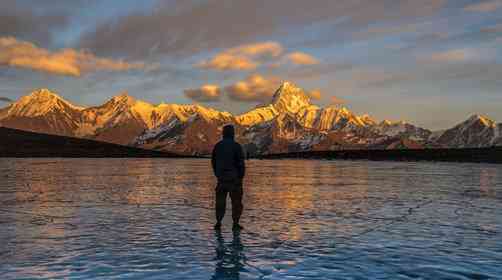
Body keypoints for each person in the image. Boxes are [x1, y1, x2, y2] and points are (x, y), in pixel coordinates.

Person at [211, 124, 245, 231]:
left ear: (223, 133)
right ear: (232, 134)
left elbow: (213, 162)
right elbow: (241, 163)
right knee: (236, 203)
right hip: (234, 180)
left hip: (221, 180)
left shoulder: (218, 146)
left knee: (220, 203)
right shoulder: (236, 146)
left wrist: (217, 174)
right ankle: (235, 224)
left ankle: (218, 222)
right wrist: (240, 177)